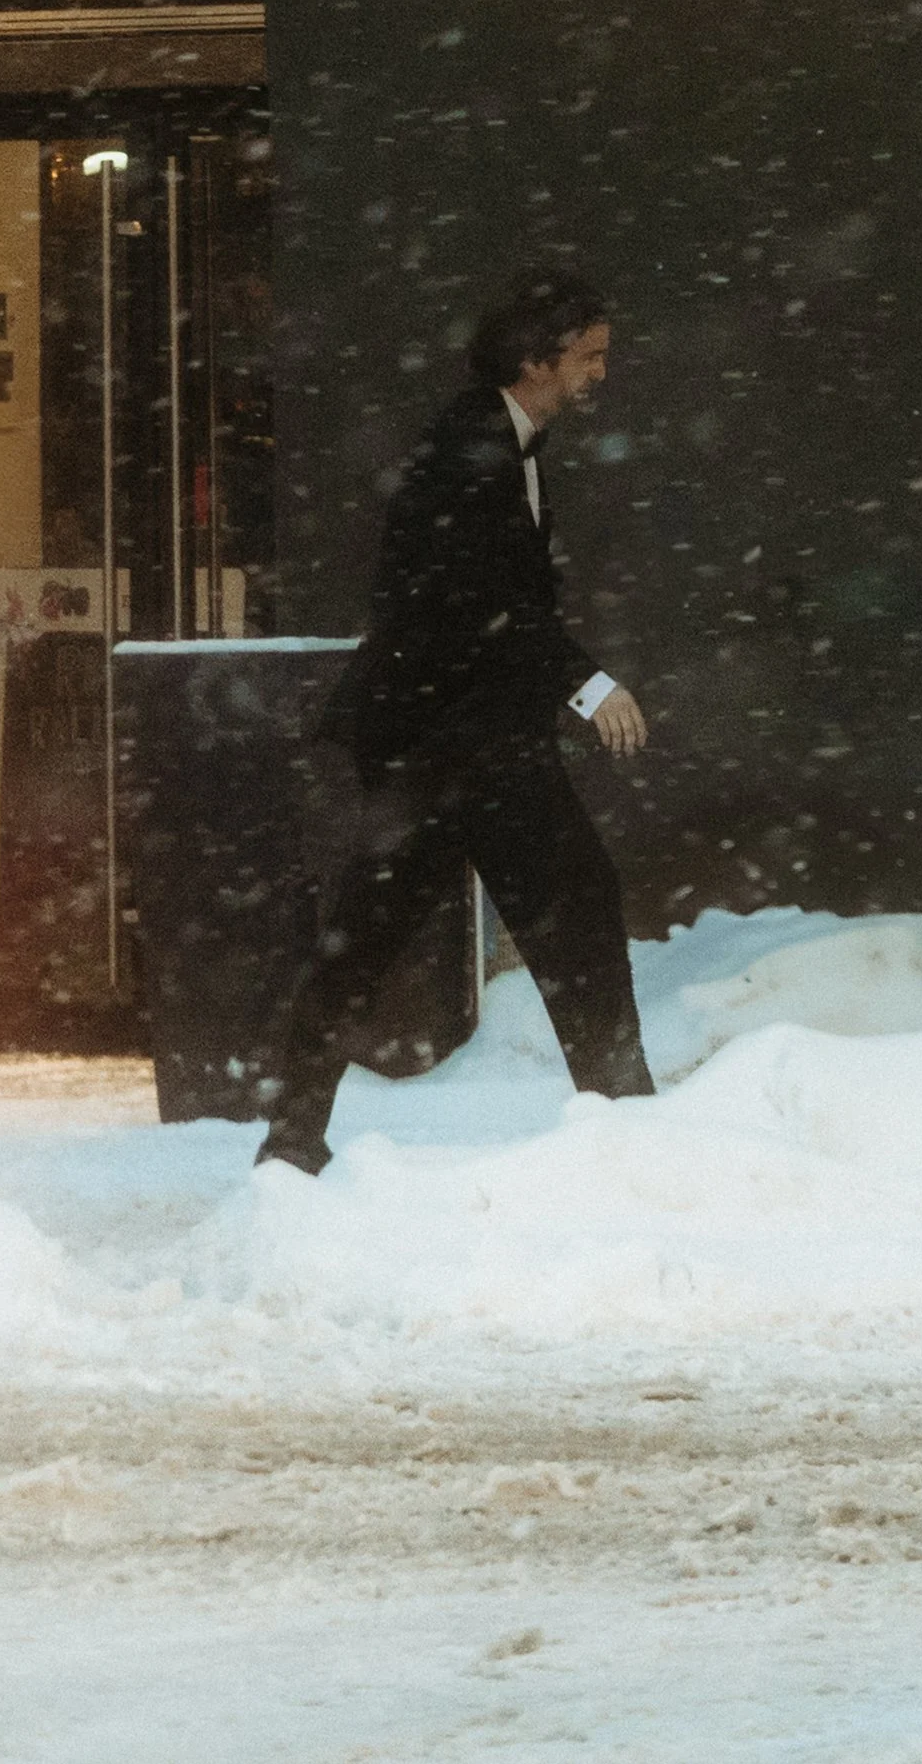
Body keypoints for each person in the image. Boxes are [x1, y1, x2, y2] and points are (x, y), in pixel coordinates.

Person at [255, 267, 656, 1174]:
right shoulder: (468, 451)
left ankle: (290, 1139)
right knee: (566, 905)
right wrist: (589, 686)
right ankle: (628, 1122)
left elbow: (491, 603)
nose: (600, 374)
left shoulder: (497, 441)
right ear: (534, 359)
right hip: (458, 742)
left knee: (375, 936)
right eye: (587, 357)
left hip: (450, 740)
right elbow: (487, 601)